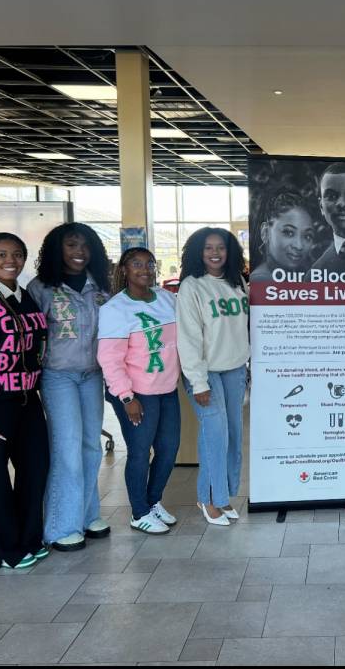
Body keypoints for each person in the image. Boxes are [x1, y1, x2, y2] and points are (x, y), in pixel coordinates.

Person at [27, 223, 111, 552]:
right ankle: (61, 525)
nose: (79, 252)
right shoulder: (42, 288)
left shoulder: (100, 287)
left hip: (92, 374)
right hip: (58, 376)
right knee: (66, 450)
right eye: (71, 245)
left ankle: (88, 514)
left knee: (90, 446)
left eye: (85, 246)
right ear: (57, 249)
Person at [0, 233, 50, 569]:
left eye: (17, 254)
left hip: (27, 400)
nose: (10, 261)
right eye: (1, 254)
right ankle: (1, 548)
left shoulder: (26, 296)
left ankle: (29, 538)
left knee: (35, 469)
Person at [97, 247, 181, 535]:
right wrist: (127, 397)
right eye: (136, 264)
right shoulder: (115, 309)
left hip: (167, 389)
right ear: (124, 269)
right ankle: (139, 512)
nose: (145, 269)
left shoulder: (167, 299)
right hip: (136, 394)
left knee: (169, 450)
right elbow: (109, 359)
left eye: (149, 264)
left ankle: (153, 500)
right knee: (139, 452)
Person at [177, 228, 249, 525]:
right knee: (215, 434)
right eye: (208, 248)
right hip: (204, 373)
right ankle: (208, 498)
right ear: (198, 252)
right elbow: (188, 338)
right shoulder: (192, 287)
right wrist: (198, 382)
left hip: (234, 368)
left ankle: (223, 495)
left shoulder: (237, 282)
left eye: (221, 247)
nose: (215, 253)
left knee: (232, 433)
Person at [250, 191, 319, 282]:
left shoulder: (292, 279)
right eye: (289, 233)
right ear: (265, 232)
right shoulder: (262, 280)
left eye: (307, 236)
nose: (299, 246)